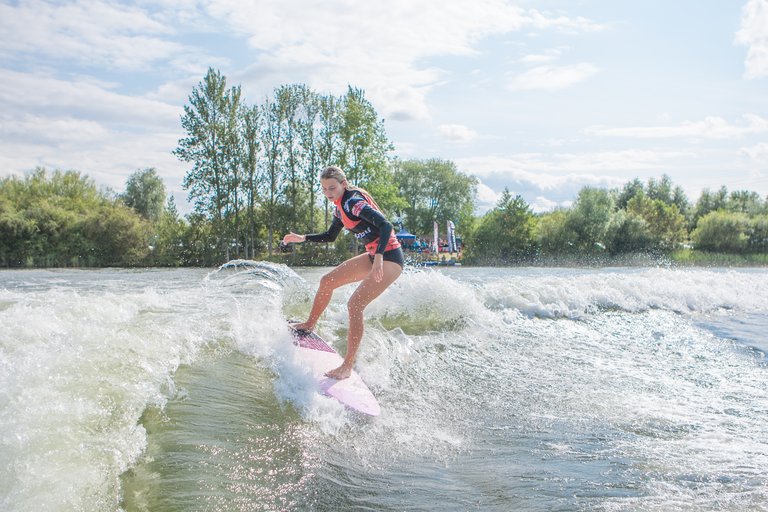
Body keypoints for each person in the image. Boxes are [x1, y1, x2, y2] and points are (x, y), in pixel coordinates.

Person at [282, 166, 404, 380]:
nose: (329, 193)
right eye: (324, 189)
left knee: (355, 304)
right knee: (327, 281)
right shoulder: (340, 209)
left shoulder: (353, 203)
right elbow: (330, 236)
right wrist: (303, 238)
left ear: (343, 185)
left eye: (332, 188)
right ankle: (309, 325)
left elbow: (386, 226)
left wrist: (379, 258)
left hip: (389, 258)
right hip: (373, 255)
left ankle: (347, 366)